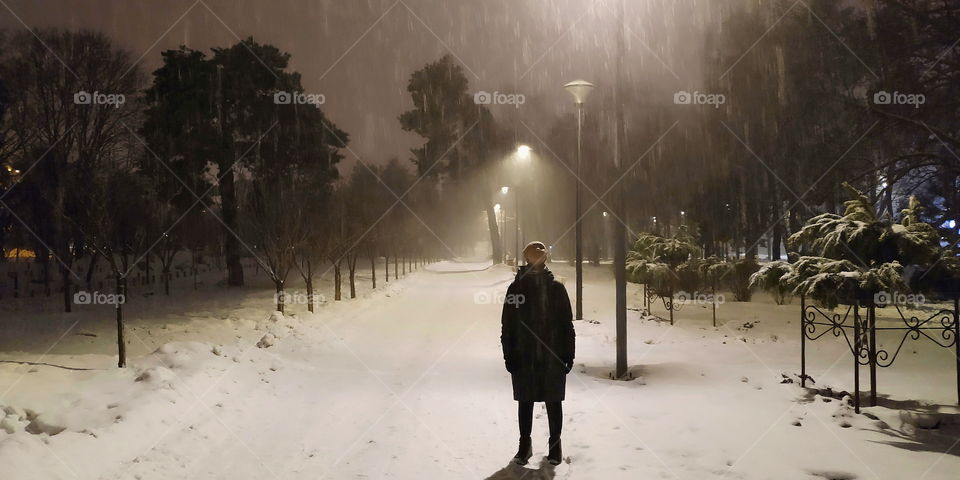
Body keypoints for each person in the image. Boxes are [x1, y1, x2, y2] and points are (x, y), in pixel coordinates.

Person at [500, 241, 575, 466]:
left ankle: (555, 446)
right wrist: (509, 354)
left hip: (552, 354)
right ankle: (525, 445)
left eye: (540, 256)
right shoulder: (516, 288)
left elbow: (566, 324)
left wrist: (568, 354)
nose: (537, 260)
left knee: (553, 400)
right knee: (525, 400)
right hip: (524, 354)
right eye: (533, 256)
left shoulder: (556, 288)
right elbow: (507, 324)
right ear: (527, 259)